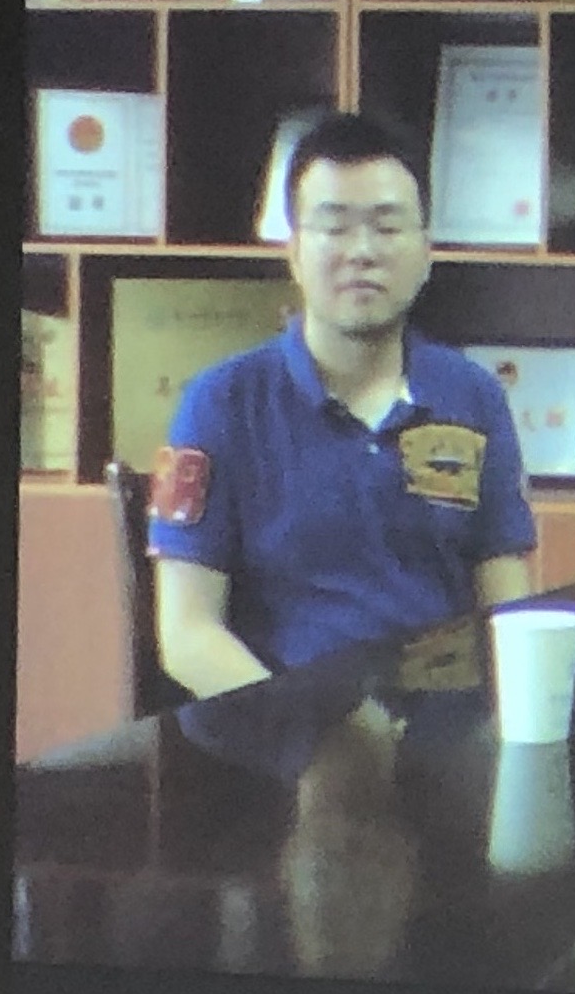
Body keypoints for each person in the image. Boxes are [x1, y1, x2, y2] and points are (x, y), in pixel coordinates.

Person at [151, 113, 537, 698]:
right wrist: (307, 729)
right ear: (293, 251)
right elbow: (188, 636)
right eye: (334, 227)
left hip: (444, 727)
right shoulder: (220, 404)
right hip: (280, 727)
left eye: (387, 227)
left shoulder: (474, 398)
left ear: (427, 252)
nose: (362, 252)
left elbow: (508, 613)